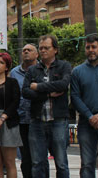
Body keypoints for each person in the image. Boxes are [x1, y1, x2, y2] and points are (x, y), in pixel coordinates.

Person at [22, 35, 71, 178]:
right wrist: (48, 94)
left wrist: (38, 86)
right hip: (37, 121)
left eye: (46, 48)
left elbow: (63, 85)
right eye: (41, 48)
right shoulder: (32, 70)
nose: (43, 51)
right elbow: (25, 92)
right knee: (38, 162)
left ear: (55, 49)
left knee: (61, 162)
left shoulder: (64, 66)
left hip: (58, 121)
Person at [71, 35, 98, 177]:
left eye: (94, 47)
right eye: (88, 47)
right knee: (87, 163)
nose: (90, 50)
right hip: (86, 123)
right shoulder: (77, 71)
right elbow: (75, 97)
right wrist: (90, 116)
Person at [10, 44, 38, 178]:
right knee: (25, 158)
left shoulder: (42, 69)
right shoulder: (14, 72)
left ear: (36, 54)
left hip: (38, 119)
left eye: (29, 50)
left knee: (39, 157)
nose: (26, 52)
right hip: (21, 121)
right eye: (24, 50)